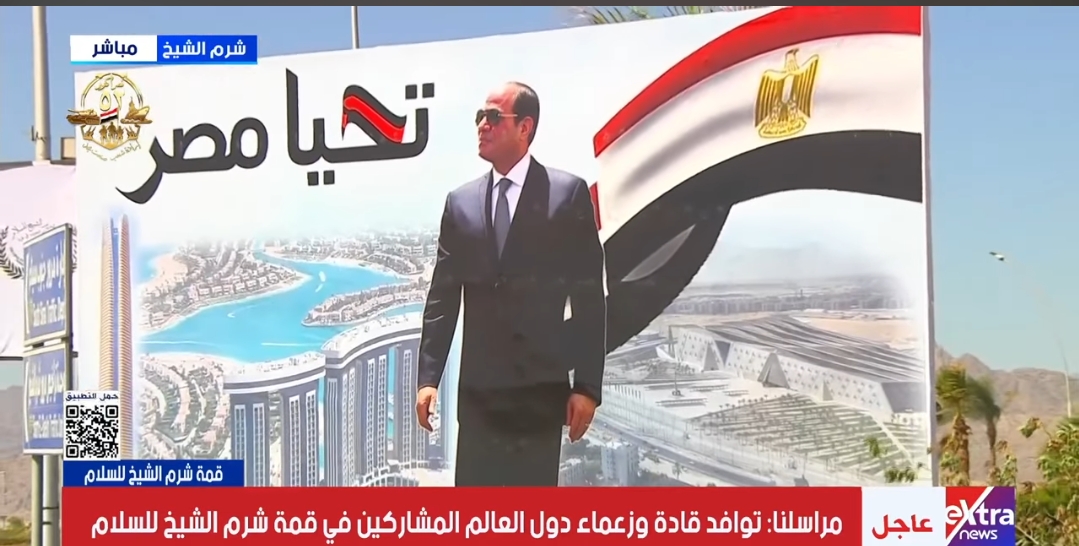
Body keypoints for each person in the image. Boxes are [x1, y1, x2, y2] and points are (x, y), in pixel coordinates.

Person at [416, 82, 606, 486]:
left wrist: (587, 387)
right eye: (479, 117)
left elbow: (589, 299)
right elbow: (443, 298)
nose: (482, 125)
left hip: (538, 399)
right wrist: (428, 379)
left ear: (525, 127)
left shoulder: (566, 195)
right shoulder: (460, 203)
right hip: (478, 401)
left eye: (493, 117)